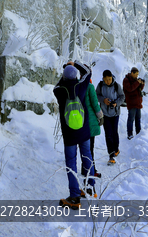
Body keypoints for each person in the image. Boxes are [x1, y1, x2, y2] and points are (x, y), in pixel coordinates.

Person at [54, 61, 96, 209]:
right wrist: (75, 63)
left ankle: (74, 196)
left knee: (71, 163)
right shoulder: (81, 86)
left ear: (64, 77)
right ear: (76, 76)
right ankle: (90, 187)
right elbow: (88, 71)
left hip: (69, 135)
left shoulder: (60, 91)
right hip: (84, 131)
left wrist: (65, 71)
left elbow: (56, 86)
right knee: (87, 156)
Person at [96, 70, 125, 165]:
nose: (108, 81)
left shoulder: (117, 86)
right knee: (108, 134)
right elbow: (96, 96)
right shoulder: (100, 86)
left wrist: (116, 103)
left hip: (115, 113)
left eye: (109, 79)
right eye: (106, 79)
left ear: (112, 77)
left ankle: (116, 149)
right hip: (105, 114)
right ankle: (111, 155)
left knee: (114, 132)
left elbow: (122, 97)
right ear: (103, 78)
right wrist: (103, 100)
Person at [81, 76, 104, 178]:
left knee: (84, 147)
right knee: (90, 148)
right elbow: (95, 104)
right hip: (90, 122)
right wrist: (101, 116)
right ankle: (91, 170)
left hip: (79, 121)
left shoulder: (77, 85)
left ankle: (84, 169)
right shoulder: (89, 86)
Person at [122, 67, 145, 139]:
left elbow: (139, 89)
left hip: (138, 103)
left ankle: (138, 133)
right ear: (132, 73)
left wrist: (142, 84)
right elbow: (130, 88)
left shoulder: (136, 80)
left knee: (138, 119)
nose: (137, 76)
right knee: (131, 119)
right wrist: (138, 82)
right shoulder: (126, 80)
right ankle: (130, 134)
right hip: (131, 103)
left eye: (138, 74)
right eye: (136, 74)